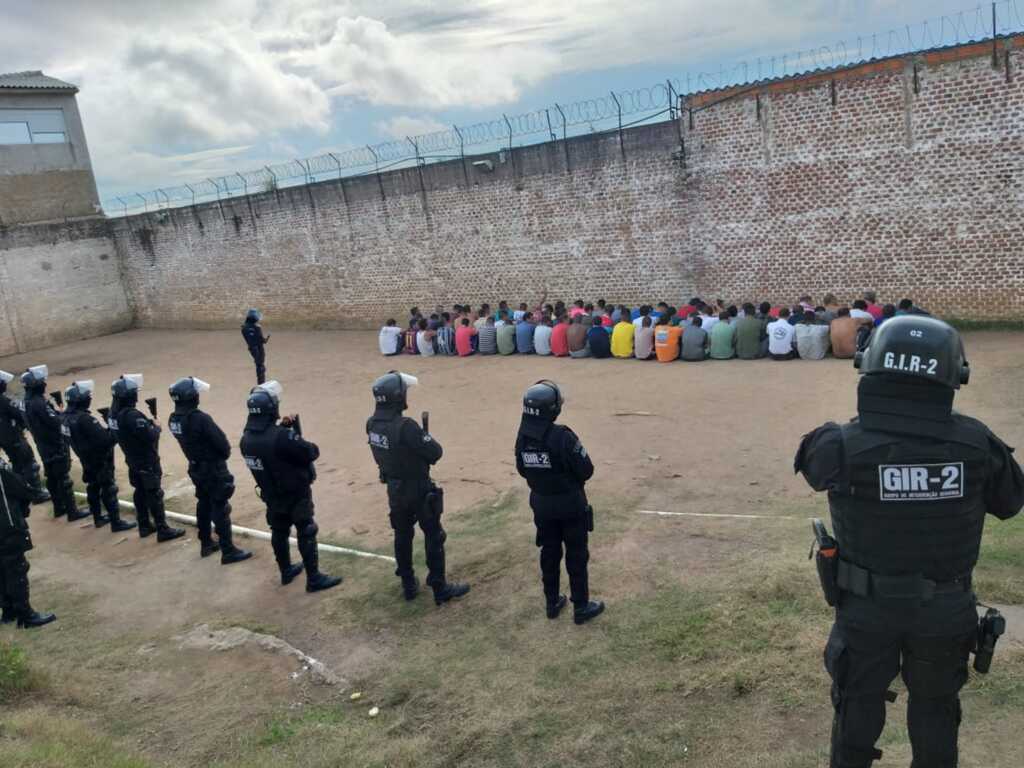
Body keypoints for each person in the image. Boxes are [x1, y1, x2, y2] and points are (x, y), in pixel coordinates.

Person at [795, 316, 1024, 768]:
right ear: (954, 374)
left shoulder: (838, 444)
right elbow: (1010, 500)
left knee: (856, 708)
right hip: (944, 609)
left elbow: (812, 467)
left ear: (870, 364)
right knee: (936, 712)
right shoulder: (977, 443)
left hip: (865, 610)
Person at [367, 373, 470, 604]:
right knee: (434, 535)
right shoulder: (406, 427)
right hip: (418, 488)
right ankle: (439, 587)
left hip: (394, 488)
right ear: (397, 397)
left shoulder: (372, 424)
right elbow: (435, 452)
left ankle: (407, 583)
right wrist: (425, 437)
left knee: (402, 535)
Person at [515, 381, 604, 624]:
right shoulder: (562, 436)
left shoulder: (523, 436)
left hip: (542, 504)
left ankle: (552, 602)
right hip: (570, 504)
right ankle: (581, 606)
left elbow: (522, 469)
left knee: (549, 553)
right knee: (576, 555)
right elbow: (586, 470)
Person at [239, 381, 341, 592]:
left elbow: (270, 450)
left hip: (271, 494)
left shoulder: (246, 439)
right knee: (306, 529)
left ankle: (286, 570)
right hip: (295, 492)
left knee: (279, 531)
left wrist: (282, 430)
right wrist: (289, 433)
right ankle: (314, 579)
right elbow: (310, 452)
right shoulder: (281, 437)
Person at [168, 377, 251, 564]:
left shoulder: (174, 419)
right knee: (220, 507)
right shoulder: (200, 418)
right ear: (192, 397)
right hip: (212, 468)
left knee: (204, 503)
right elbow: (223, 446)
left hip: (195, 466)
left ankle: (206, 542)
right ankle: (228, 550)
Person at [109, 374, 185, 542]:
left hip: (132, 458)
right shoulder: (131, 415)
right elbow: (150, 436)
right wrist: (156, 427)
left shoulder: (113, 413)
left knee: (140, 491)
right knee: (154, 492)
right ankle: (162, 529)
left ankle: (144, 525)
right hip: (145, 458)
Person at [63, 381, 136, 532]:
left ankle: (98, 517)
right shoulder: (85, 419)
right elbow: (105, 440)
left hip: (85, 458)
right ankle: (116, 522)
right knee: (109, 488)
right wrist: (114, 431)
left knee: (93, 487)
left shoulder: (64, 417)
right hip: (98, 459)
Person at [21, 366, 87, 522]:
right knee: (63, 477)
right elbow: (55, 422)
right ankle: (72, 511)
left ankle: (59, 507)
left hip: (42, 444)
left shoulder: (26, 401)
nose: (45, 383)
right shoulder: (38, 403)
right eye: (42, 381)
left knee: (51, 476)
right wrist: (62, 415)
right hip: (53, 444)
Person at [0, 460, 56, 628]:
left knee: (3, 568)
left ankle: (9, 610)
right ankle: (25, 615)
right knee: (16, 567)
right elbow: (20, 488)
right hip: (6, 524)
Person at [0, 370, 49, 504]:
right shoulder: (4, 400)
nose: (5, 385)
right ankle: (36, 494)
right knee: (29, 464)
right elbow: (20, 414)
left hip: (5, 439)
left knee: (18, 466)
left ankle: (23, 493)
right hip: (13, 437)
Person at [241, 308, 270, 384]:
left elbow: (248, 338)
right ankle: (261, 384)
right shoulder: (257, 328)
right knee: (261, 366)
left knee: (258, 365)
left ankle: (260, 383)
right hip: (259, 348)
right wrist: (266, 339)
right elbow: (261, 340)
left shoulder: (244, 328)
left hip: (251, 348)